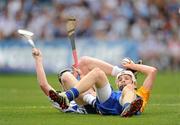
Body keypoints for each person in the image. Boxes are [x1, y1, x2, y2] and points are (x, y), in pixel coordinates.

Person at [49, 56, 157, 117]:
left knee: (128, 89)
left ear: (134, 83)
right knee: (97, 72)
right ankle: (66, 97)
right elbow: (93, 92)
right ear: (116, 84)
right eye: (120, 79)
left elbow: (152, 71)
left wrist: (132, 66)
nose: (122, 80)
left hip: (123, 104)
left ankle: (127, 108)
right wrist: (82, 78)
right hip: (109, 101)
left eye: (126, 78)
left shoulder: (141, 93)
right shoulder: (115, 93)